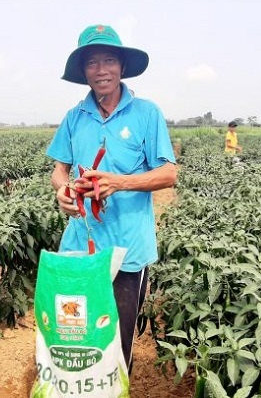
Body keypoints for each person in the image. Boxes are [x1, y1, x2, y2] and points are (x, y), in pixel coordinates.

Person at [46, 24, 177, 375]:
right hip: (80, 246)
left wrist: (119, 183)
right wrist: (62, 189)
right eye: (92, 63)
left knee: (118, 345)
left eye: (108, 60)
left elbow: (169, 174)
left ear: (121, 67)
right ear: (84, 72)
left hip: (128, 249)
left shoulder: (146, 114)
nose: (101, 70)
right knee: (77, 336)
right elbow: (59, 169)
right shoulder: (74, 117)